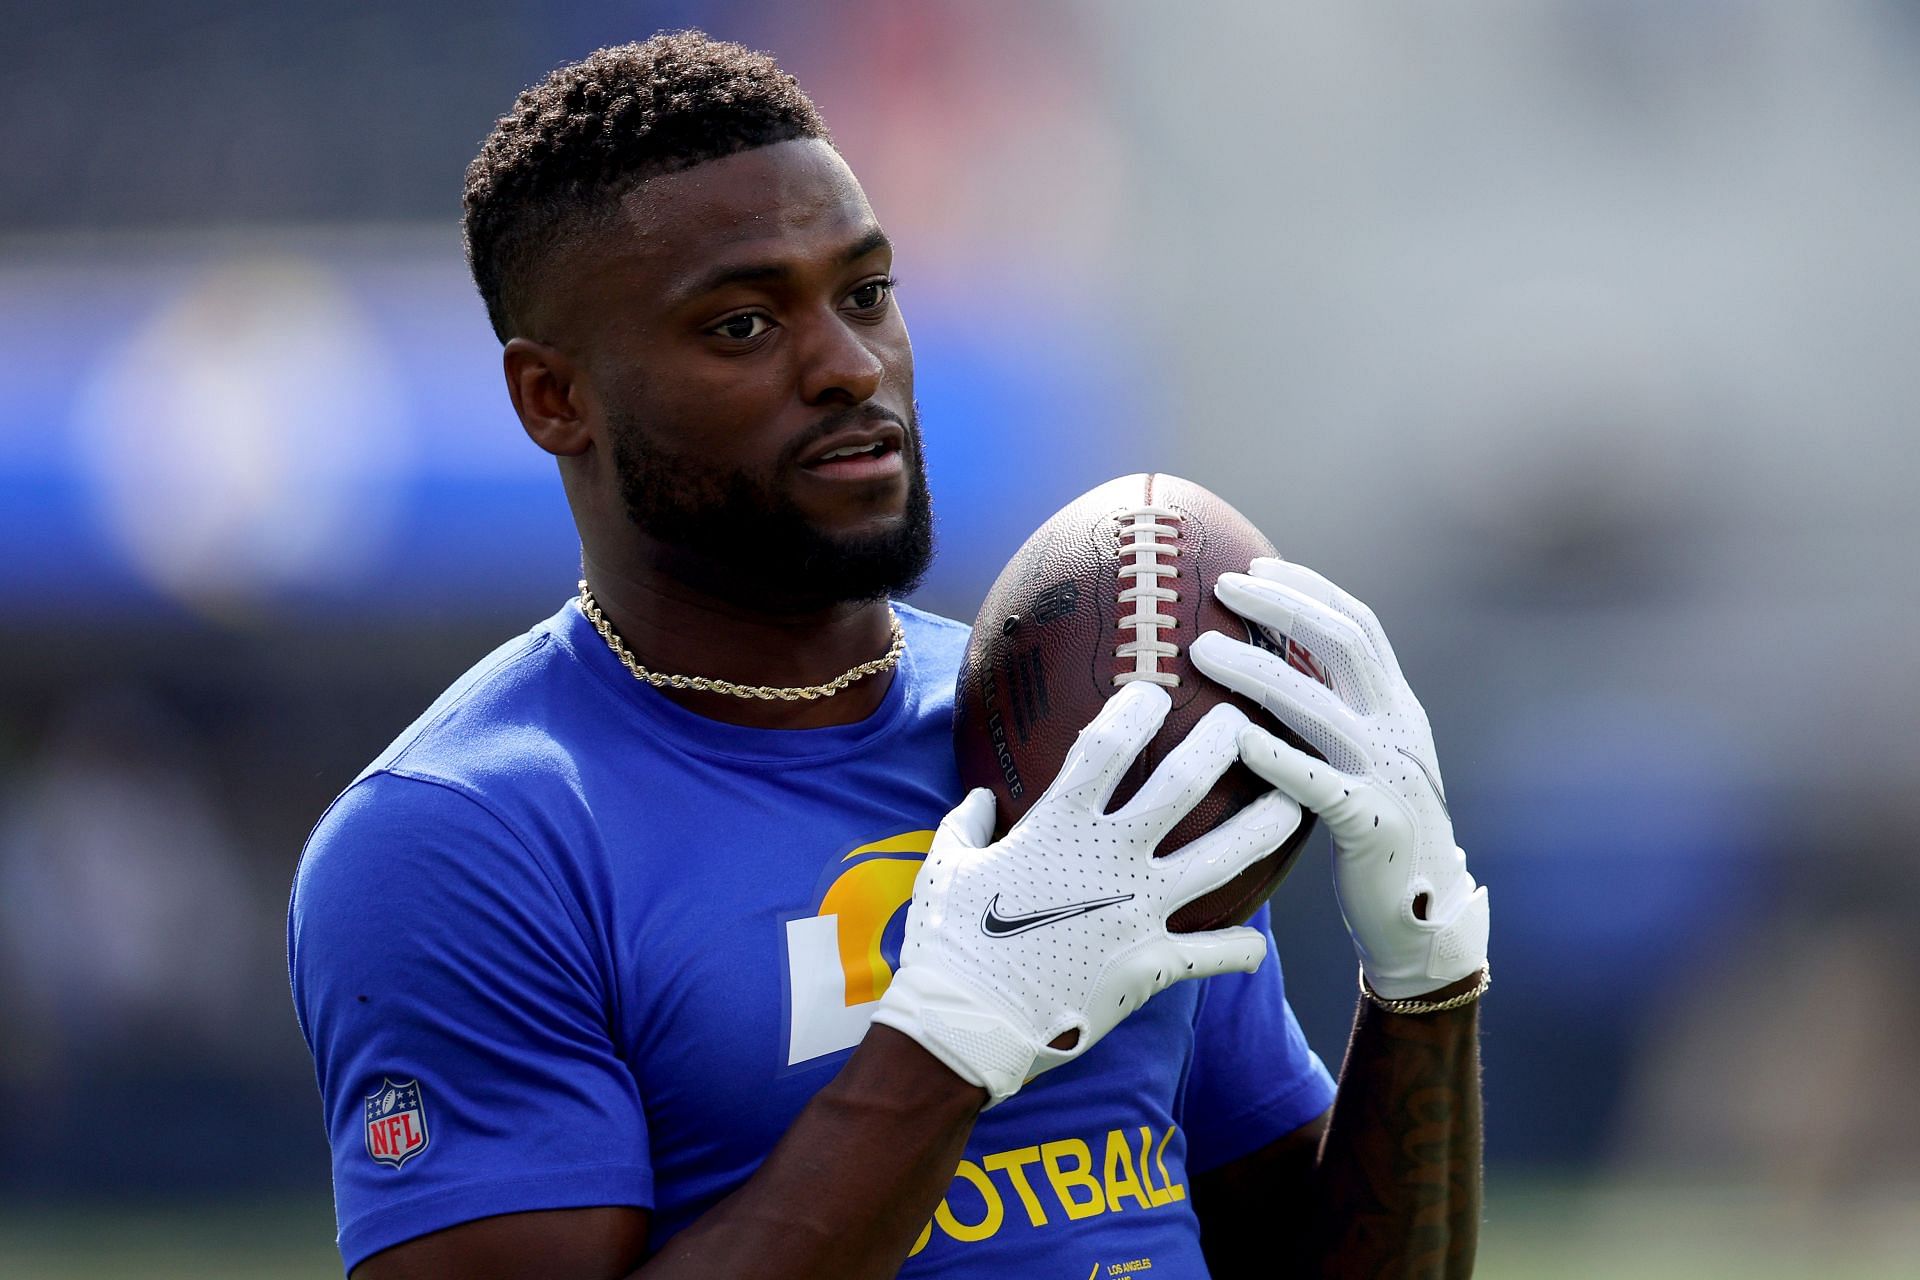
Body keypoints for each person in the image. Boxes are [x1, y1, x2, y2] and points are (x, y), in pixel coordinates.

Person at [288, 32, 1491, 1280]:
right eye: (745, 323)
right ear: (554, 398)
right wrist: (951, 1041)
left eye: (865, 293)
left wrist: (1426, 970)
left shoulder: (1085, 734)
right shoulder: (463, 836)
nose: (851, 367)